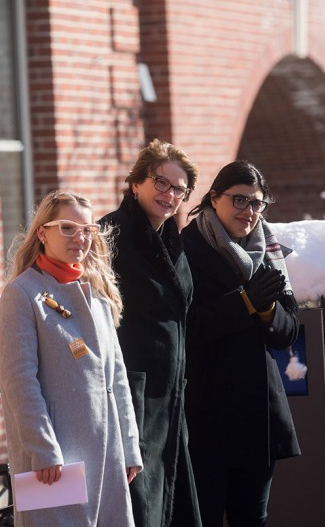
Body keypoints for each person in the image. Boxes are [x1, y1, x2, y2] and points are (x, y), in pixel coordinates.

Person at [0, 190, 143, 527]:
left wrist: (130, 447)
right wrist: (44, 448)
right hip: (55, 462)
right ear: (42, 232)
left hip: (108, 458)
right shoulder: (21, 294)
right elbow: (19, 381)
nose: (80, 237)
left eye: (88, 230)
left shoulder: (97, 294)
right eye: (67, 227)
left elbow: (117, 377)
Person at [181, 161, 301, 526]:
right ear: (214, 198)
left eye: (257, 204)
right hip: (207, 415)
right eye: (239, 200)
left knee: (254, 518)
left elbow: (287, 333)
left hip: (257, 416)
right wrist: (244, 303)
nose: (249, 212)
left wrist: (265, 310)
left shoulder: (270, 251)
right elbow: (187, 328)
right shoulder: (185, 248)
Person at [99, 139, 203, 527]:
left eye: (178, 189)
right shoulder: (110, 235)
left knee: (173, 503)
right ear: (136, 183)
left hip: (170, 397)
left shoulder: (171, 239)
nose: (169, 194)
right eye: (161, 182)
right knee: (141, 506)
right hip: (133, 395)